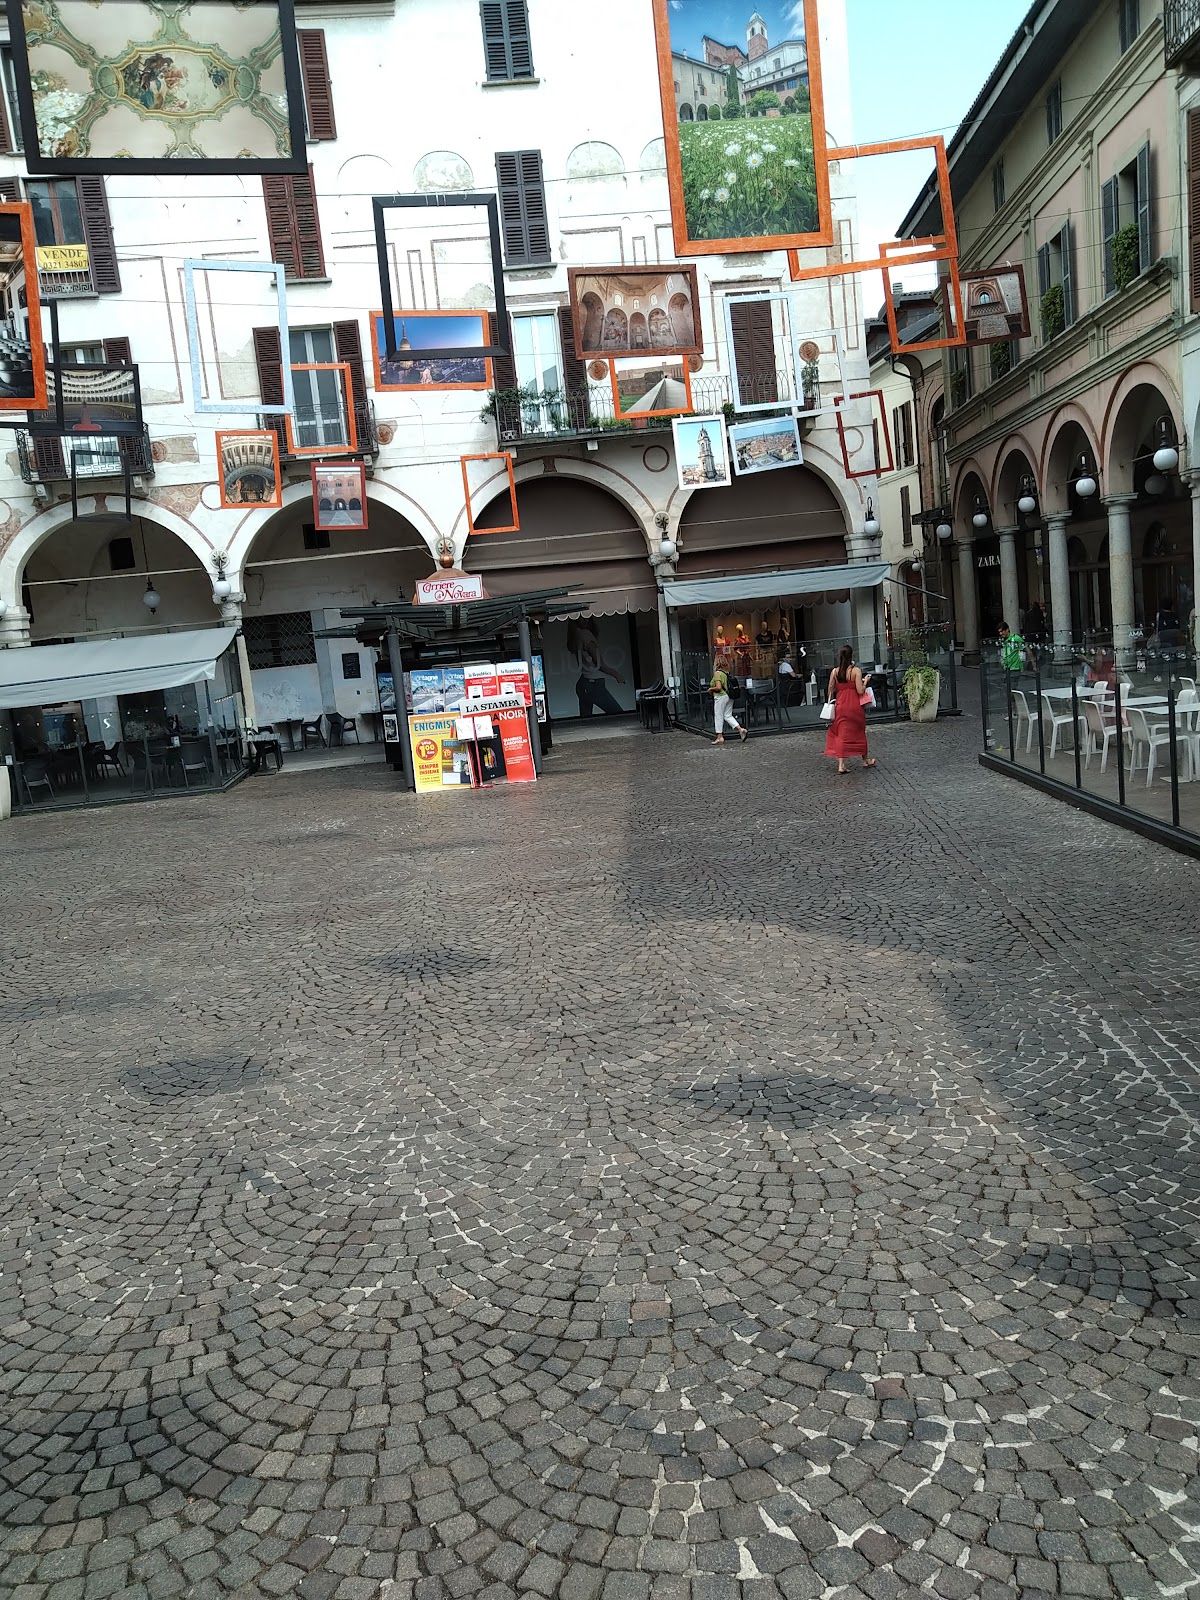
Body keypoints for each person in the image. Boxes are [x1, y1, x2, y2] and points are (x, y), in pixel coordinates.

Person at [824, 645, 875, 774]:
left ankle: (841, 764)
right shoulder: (856, 671)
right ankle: (865, 759)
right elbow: (860, 690)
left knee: (841, 733)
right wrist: (865, 682)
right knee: (859, 731)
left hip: (841, 706)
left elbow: (830, 689)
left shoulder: (835, 672)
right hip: (854, 707)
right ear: (851, 656)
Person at [567, 618, 625, 717]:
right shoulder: (585, 635)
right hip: (593, 684)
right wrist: (617, 675)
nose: (585, 620)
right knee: (620, 715)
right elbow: (600, 665)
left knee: (586, 722)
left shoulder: (576, 635)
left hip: (584, 683)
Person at [709, 657, 747, 744]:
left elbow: (718, 687)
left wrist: (710, 689)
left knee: (718, 716)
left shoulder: (718, 673)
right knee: (728, 715)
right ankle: (741, 730)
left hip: (720, 696)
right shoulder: (726, 673)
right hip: (729, 696)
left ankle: (719, 737)